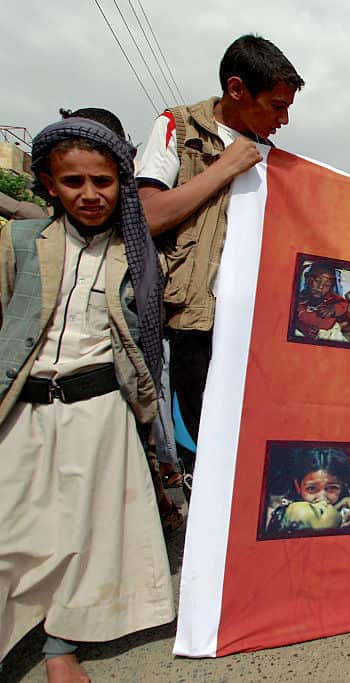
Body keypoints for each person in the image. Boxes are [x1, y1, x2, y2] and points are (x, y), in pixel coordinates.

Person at [0, 113, 174, 680]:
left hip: (101, 407)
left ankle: (60, 645)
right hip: (23, 404)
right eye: (74, 182)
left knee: (85, 531)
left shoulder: (140, 253)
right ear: (49, 183)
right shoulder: (20, 240)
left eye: (103, 181)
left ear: (121, 182)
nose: (91, 194)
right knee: (12, 527)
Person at [135, 34, 305, 492]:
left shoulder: (276, 158)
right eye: (275, 106)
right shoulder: (176, 127)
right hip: (191, 326)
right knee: (202, 453)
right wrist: (224, 168)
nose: (283, 119)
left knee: (251, 453)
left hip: (254, 330)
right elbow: (147, 216)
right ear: (236, 90)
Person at [265, 448, 350, 536]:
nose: (322, 499)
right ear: (298, 486)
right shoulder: (289, 511)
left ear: (345, 485)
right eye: (311, 489)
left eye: (332, 488)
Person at [293, 261, 350, 339]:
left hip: (329, 334)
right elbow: (292, 319)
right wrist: (302, 327)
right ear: (307, 278)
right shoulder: (297, 299)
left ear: (331, 287)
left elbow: (345, 305)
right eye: (317, 281)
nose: (320, 287)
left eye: (327, 285)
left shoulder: (333, 298)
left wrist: (334, 309)